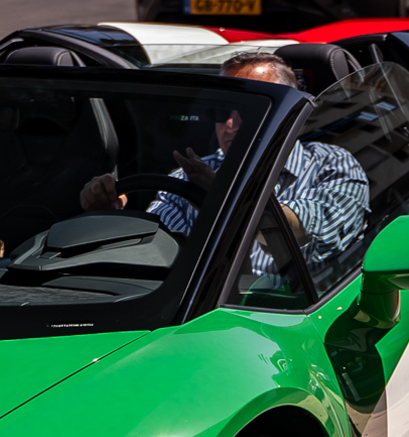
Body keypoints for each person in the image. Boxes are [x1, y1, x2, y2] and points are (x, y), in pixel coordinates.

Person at [79, 54, 367, 274]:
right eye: (220, 110)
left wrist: (226, 195)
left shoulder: (331, 165)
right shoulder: (189, 174)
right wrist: (111, 218)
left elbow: (310, 235)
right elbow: (156, 249)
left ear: (289, 115)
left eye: (247, 110)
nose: (230, 124)